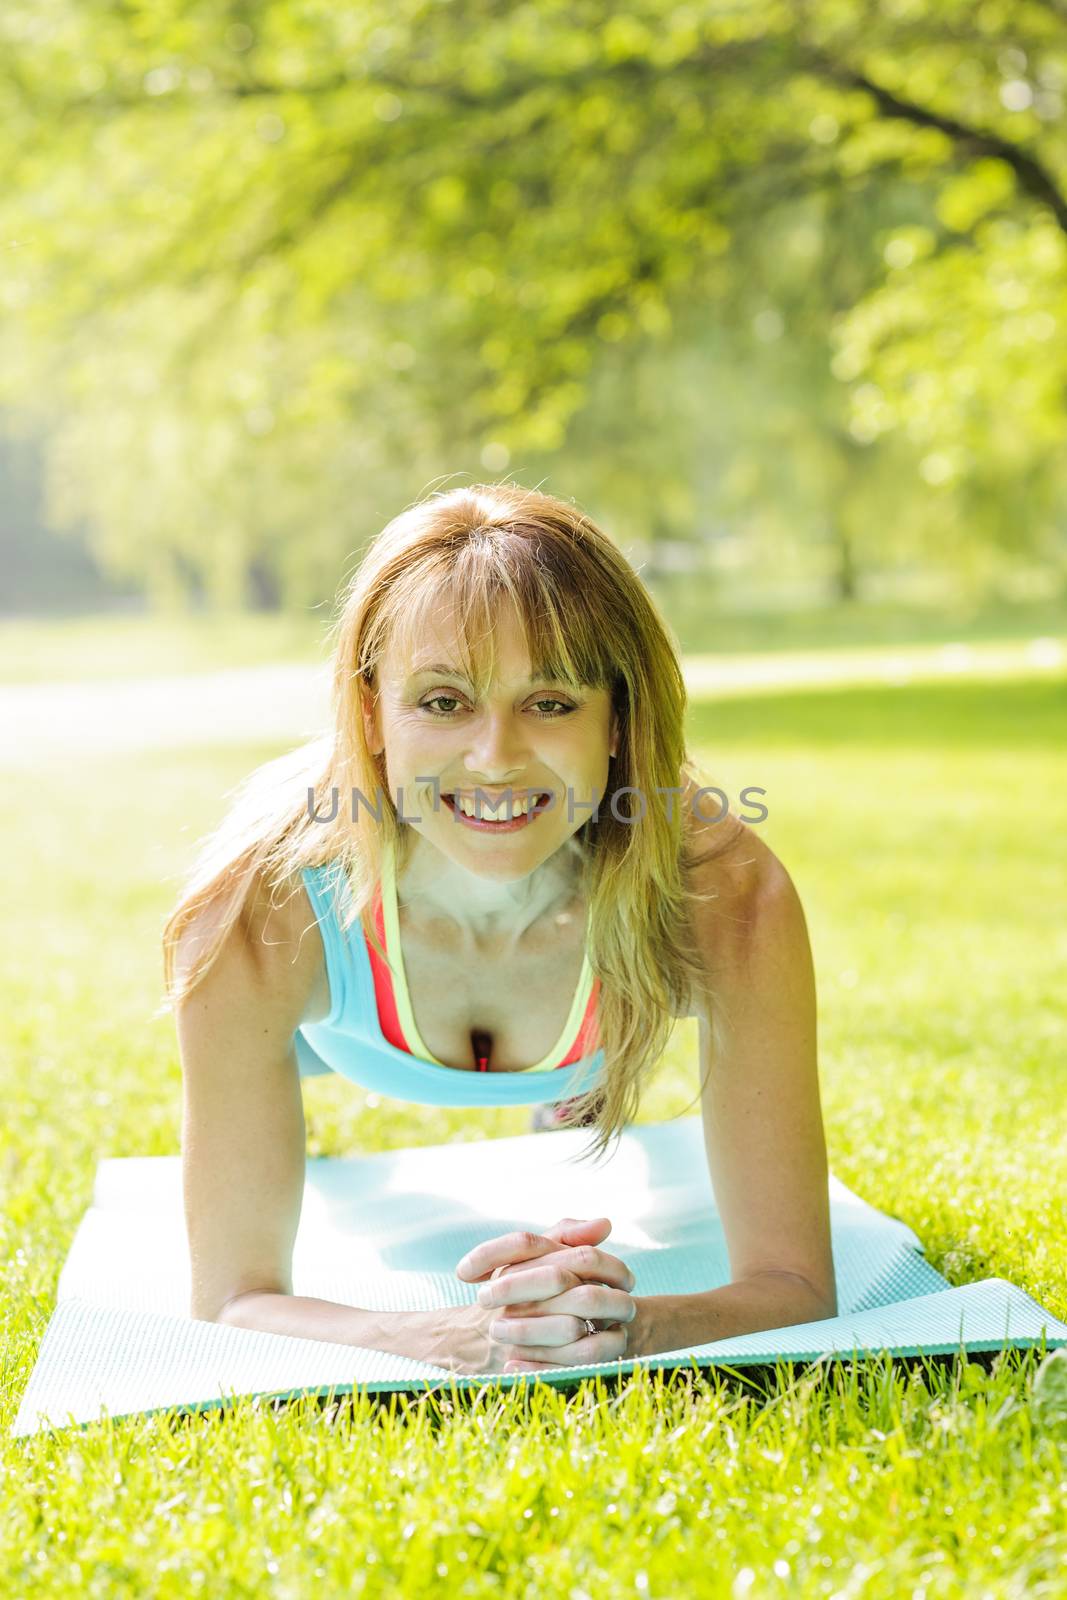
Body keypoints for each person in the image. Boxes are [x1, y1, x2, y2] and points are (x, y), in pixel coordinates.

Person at [163, 482, 836, 1376]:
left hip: (590, 994)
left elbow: (793, 1282)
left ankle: (566, 1093)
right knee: (281, 1077)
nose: (495, 759)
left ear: (618, 721)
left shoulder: (726, 897)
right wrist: (448, 1336)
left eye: (550, 702)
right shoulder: (258, 908)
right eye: (443, 702)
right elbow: (233, 1299)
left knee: (584, 1080)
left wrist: (620, 1322)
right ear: (371, 713)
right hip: (337, 1024)